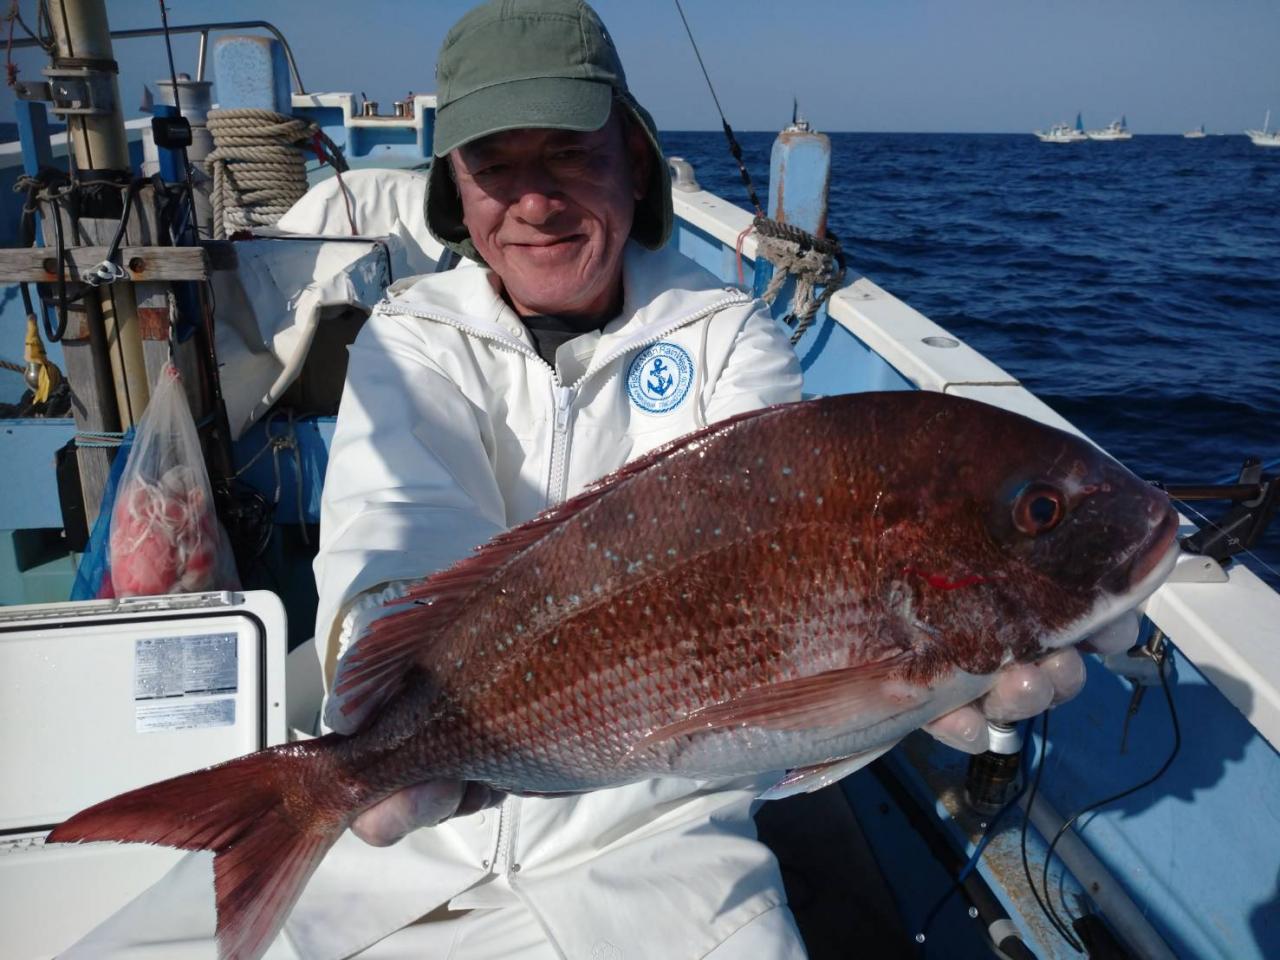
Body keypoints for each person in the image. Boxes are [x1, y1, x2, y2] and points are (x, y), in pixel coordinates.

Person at [311, 1, 1118, 956]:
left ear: (633, 158)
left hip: (664, 833)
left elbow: (778, 560)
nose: (534, 201)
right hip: (410, 856)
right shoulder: (409, 337)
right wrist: (385, 716)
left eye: (568, 152)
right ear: (456, 184)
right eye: (495, 164)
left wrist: (901, 687)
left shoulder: (726, 335)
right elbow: (396, 523)